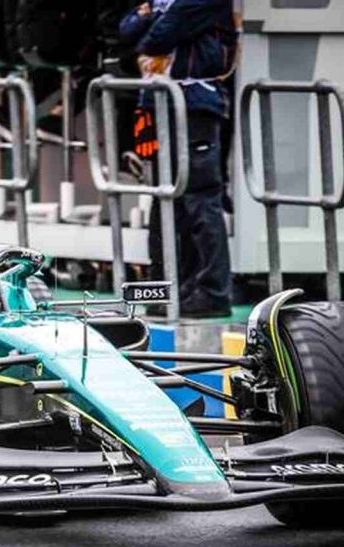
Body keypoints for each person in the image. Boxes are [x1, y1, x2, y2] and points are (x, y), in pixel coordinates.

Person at [122, 0, 238, 317]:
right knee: (166, 201)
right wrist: (149, 22)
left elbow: (157, 36)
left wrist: (151, 24)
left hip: (195, 104)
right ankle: (174, 286)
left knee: (200, 198)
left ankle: (213, 292)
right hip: (160, 104)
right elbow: (127, 29)